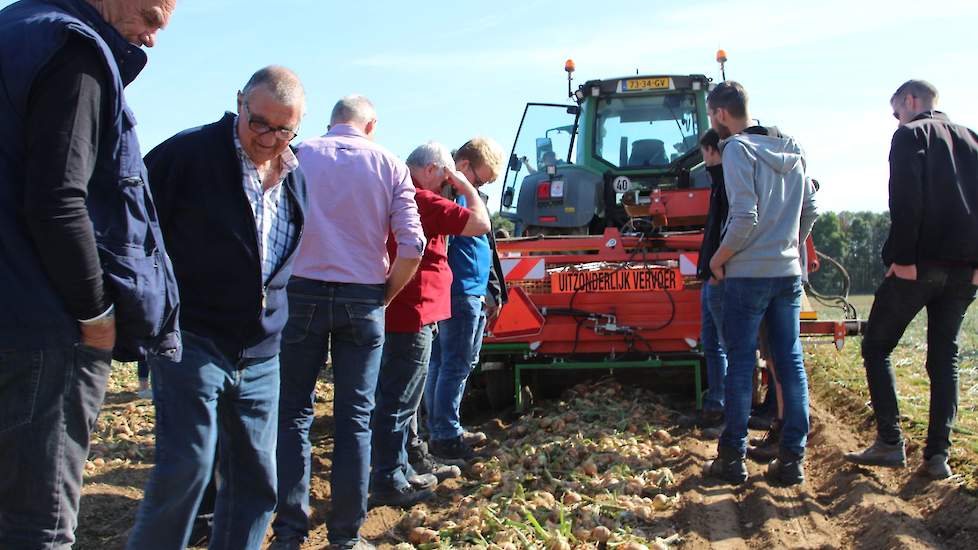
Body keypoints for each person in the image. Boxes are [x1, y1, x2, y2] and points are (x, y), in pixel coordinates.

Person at [0, 0, 179, 547]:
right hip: (43, 326)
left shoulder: (14, 29)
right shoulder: (75, 51)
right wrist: (96, 313)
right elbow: (58, 199)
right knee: (38, 524)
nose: (150, 39)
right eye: (150, 17)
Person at [127, 66, 308, 550]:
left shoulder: (296, 177)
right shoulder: (187, 154)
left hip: (261, 352)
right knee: (186, 470)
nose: (270, 138)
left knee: (256, 482)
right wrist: (146, 304)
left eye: (284, 128)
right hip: (194, 339)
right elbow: (131, 223)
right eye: (260, 123)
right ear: (240, 103)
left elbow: (278, 259)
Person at [273, 95, 425, 550]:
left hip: (300, 293)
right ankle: (345, 537)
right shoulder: (390, 164)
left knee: (292, 415)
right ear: (370, 125)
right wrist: (382, 296)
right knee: (355, 419)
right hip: (363, 297)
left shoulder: (297, 156)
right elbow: (412, 246)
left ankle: (288, 533)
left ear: (331, 121)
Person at [845, 80, 978, 480]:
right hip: (964, 271)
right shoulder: (973, 139)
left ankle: (890, 442)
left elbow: (905, 199)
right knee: (945, 358)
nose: (895, 116)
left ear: (912, 101)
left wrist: (902, 259)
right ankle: (937, 456)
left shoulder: (909, 135)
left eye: (896, 108)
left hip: (919, 266)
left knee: (877, 346)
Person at [703, 81, 818, 486]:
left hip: (747, 274)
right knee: (789, 362)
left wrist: (718, 258)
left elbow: (744, 216)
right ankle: (792, 461)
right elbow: (811, 209)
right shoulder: (792, 147)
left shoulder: (736, 149)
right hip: (786, 275)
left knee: (740, 362)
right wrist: (789, 244)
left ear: (719, 113)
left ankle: (732, 458)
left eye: (710, 115)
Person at [370, 142, 491, 508]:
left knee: (403, 394)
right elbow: (481, 222)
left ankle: (405, 464)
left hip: (412, 309)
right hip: (412, 310)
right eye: (445, 176)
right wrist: (464, 184)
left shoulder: (397, 191)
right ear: (433, 170)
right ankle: (390, 476)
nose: (447, 185)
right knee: (400, 397)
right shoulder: (421, 198)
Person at [424, 137, 506, 464]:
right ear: (463, 166)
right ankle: (445, 435)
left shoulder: (462, 197)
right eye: (481, 179)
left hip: (468, 290)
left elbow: (484, 247)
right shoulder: (453, 199)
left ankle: (441, 427)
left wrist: (492, 289)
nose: (481, 186)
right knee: (453, 364)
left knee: (447, 363)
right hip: (460, 292)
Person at [695, 128, 728, 431]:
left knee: (725, 344)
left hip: (718, 277)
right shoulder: (719, 182)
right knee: (712, 342)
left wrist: (718, 265)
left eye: (704, 153)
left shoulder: (728, 182)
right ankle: (717, 404)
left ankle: (727, 411)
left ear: (712, 150)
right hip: (711, 276)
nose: (703, 160)